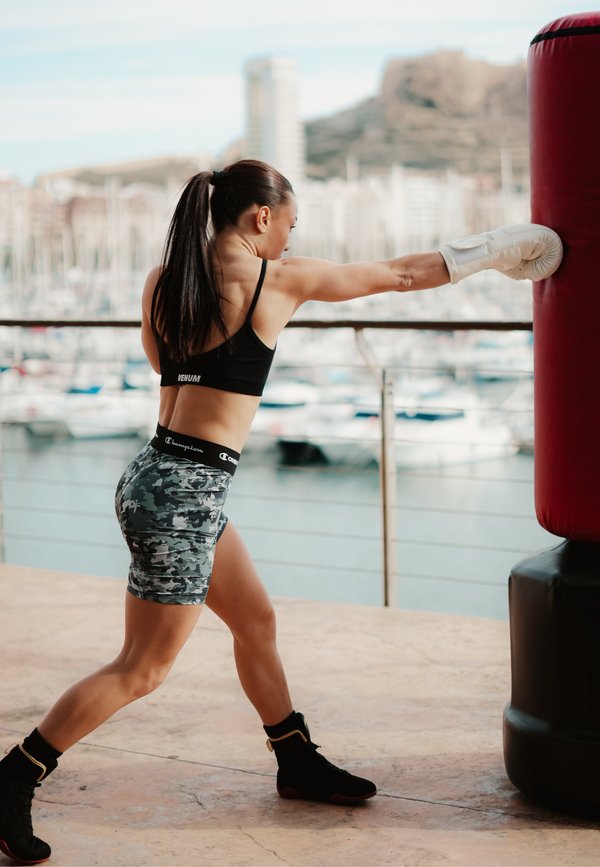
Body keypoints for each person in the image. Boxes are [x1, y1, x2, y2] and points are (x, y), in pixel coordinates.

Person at [0, 159, 562, 865]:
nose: (292, 242)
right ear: (260, 218)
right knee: (141, 668)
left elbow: (161, 364)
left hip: (159, 475)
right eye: (290, 224)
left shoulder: (162, 282)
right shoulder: (278, 281)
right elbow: (401, 274)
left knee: (256, 622)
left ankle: (295, 759)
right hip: (186, 496)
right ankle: (15, 775)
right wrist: (502, 250)